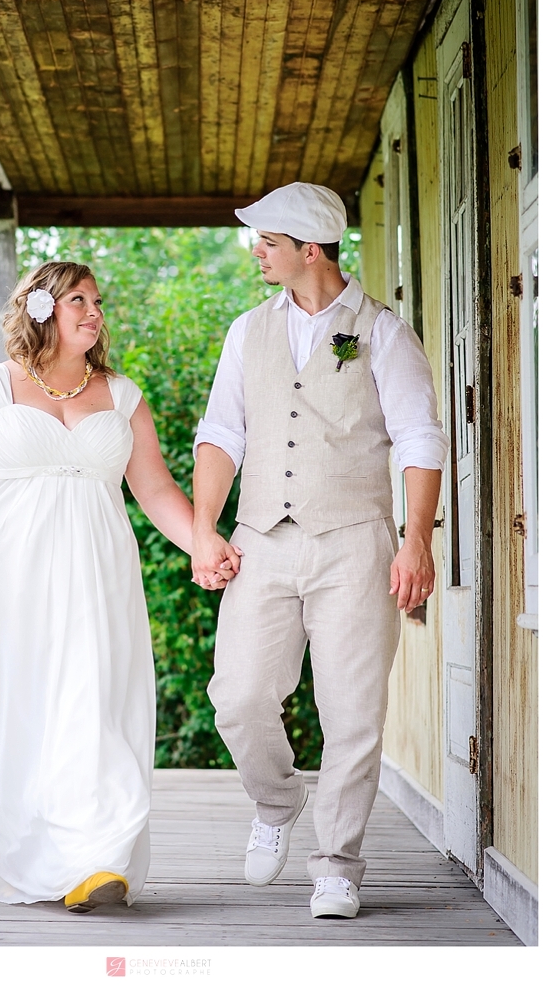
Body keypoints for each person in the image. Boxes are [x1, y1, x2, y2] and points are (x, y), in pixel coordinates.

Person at [191, 182, 449, 919]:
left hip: (356, 544)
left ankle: (337, 864)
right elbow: (222, 433)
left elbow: (419, 437)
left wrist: (417, 540)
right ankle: (277, 802)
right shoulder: (248, 332)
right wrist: (206, 528)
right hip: (261, 541)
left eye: (268, 241)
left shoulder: (383, 333)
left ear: (311, 250)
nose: (257, 252)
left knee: (353, 715)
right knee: (238, 695)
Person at [0, 260, 213, 913]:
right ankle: (27, 856)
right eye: (78, 300)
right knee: (18, 712)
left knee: (94, 705)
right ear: (42, 310)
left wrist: (202, 542)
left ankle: (96, 859)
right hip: (6, 579)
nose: (94, 311)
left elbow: (155, 489)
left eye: (97, 301)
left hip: (97, 578)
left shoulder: (122, 396)